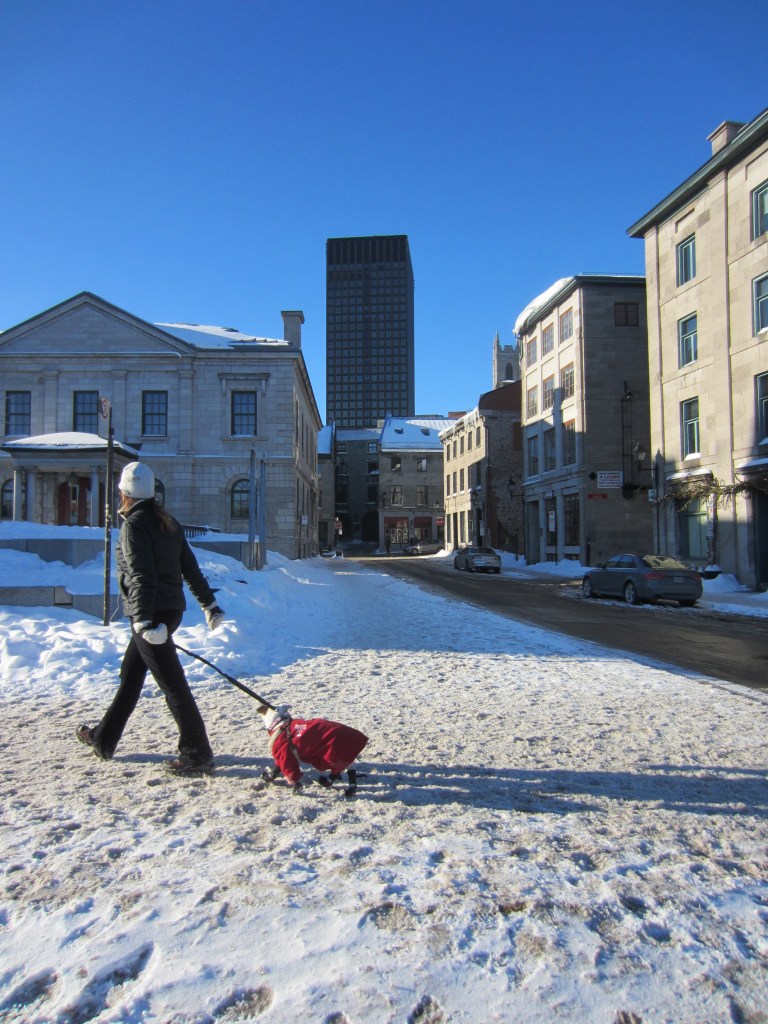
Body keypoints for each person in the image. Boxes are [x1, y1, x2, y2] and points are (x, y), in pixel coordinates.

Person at [76, 461, 225, 775]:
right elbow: (190, 567)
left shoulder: (135, 524)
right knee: (130, 676)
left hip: (150, 615)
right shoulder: (166, 520)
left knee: (172, 684)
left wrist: (142, 619)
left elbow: (141, 575)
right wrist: (209, 604)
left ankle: (197, 753)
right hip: (168, 611)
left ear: (125, 492)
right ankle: (103, 739)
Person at [258, 705, 368, 796]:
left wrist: (294, 779)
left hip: (333, 734)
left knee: (336, 756)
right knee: (344, 755)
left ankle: (333, 781)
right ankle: (347, 784)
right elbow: (282, 757)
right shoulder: (288, 729)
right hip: (336, 730)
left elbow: (286, 758)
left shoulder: (280, 739)